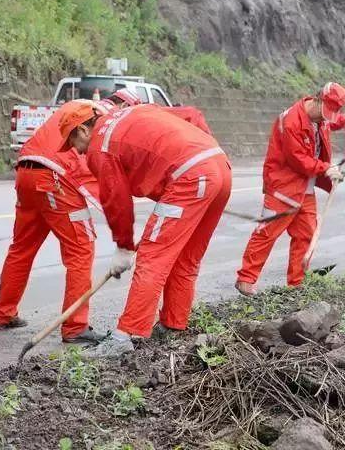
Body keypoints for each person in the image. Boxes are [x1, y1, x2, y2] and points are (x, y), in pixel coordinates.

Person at [64, 102, 232, 357]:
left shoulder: (100, 146)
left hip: (190, 176)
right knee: (186, 257)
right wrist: (204, 160)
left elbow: (116, 201)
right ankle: (173, 324)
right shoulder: (132, 111)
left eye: (72, 141)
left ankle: (124, 335)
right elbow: (191, 114)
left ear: (83, 130)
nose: (75, 150)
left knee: (152, 258)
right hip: (219, 164)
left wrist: (123, 247)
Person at [0, 100, 105, 345]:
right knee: (81, 249)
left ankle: (3, 314)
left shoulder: (75, 106)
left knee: (21, 249)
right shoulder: (99, 119)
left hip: (26, 171)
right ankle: (75, 326)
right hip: (55, 178)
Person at [234, 83, 345, 295]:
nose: (327, 119)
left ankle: (297, 284)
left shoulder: (318, 117)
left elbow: (331, 122)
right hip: (283, 186)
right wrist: (326, 169)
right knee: (267, 232)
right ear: (318, 99)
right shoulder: (291, 121)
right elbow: (298, 160)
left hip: (306, 188)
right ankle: (246, 278)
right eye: (327, 113)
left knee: (306, 235)